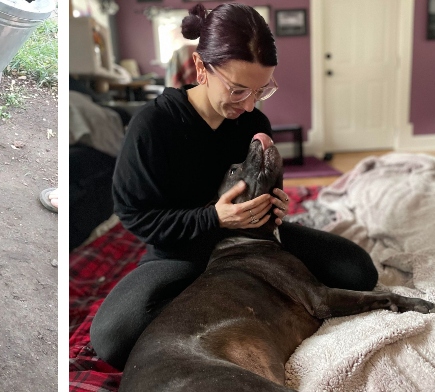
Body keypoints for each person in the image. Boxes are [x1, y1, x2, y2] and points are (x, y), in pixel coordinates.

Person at [89, 2, 378, 370]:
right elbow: (137, 216)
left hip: (255, 244)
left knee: (358, 273)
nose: (250, 104)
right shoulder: (153, 126)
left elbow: (267, 187)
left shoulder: (253, 121)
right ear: (200, 68)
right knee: (113, 341)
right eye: (239, 90)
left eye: (262, 90)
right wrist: (214, 218)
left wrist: (275, 207)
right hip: (183, 251)